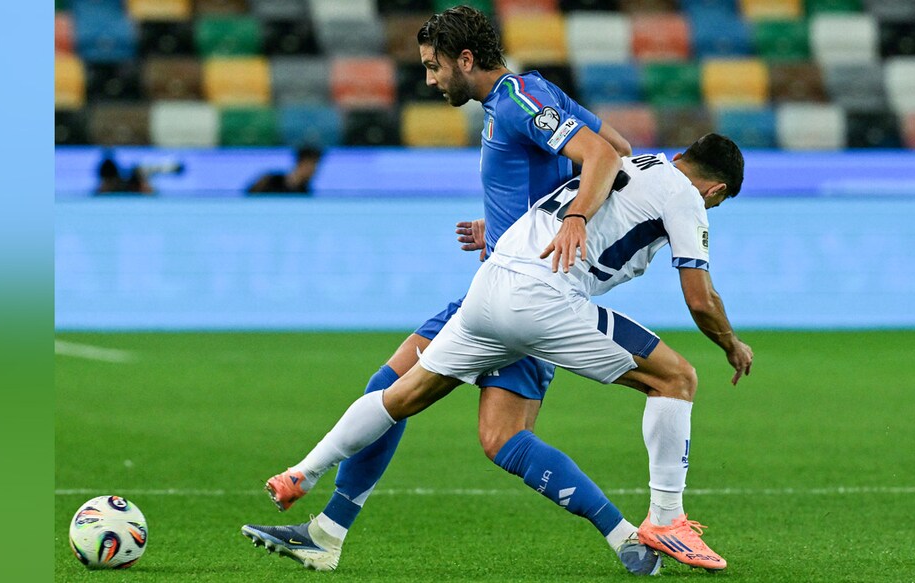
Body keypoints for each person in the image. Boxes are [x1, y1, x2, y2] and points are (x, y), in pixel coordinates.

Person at [240, 4, 653, 575]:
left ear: (465, 59)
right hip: (495, 288)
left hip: (529, 297)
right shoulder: (520, 98)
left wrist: (576, 219)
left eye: (434, 67)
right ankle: (326, 532)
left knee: (494, 436)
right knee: (394, 386)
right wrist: (516, 229)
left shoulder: (517, 100)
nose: (430, 80)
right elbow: (620, 148)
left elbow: (606, 156)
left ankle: (627, 535)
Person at [244, 134, 754, 572]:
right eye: (716, 204)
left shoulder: (625, 161)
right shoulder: (685, 195)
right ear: (716, 189)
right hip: (544, 298)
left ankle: (303, 472)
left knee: (402, 394)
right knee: (676, 378)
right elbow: (699, 298)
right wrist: (730, 342)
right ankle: (666, 520)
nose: (709, 208)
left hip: (489, 284)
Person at [246, 146, 323, 194]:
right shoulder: (269, 180)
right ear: (301, 163)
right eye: (311, 166)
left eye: (316, 167)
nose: (313, 171)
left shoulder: (305, 193)